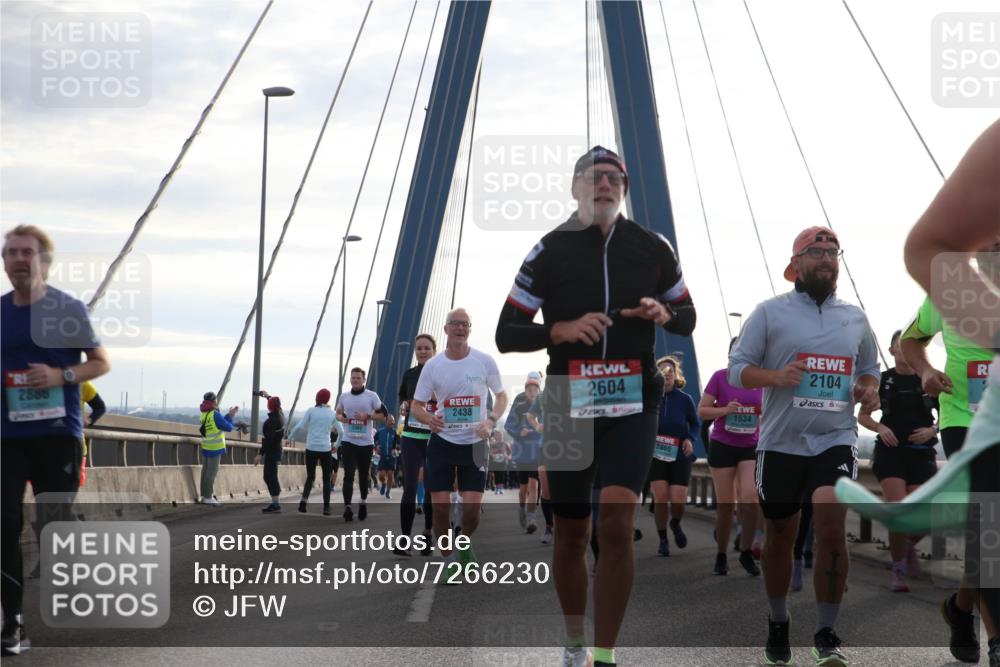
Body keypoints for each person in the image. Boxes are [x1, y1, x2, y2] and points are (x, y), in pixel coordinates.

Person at [495, 146, 697, 667]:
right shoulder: (548, 250)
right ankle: (572, 642)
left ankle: (604, 653)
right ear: (575, 187)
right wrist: (556, 330)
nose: (604, 184)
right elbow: (506, 332)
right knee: (571, 530)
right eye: (593, 177)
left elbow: (688, 317)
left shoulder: (652, 248)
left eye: (614, 177)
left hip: (634, 400)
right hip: (568, 400)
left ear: (624, 188)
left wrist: (664, 310)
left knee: (613, 523)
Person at [729, 225, 880, 667]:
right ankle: (779, 622)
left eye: (833, 252)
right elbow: (738, 369)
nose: (826, 259)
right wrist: (775, 377)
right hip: (780, 442)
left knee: (831, 524)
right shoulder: (769, 313)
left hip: (835, 437)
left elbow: (870, 369)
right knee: (780, 534)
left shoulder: (855, 318)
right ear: (795, 265)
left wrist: (868, 390)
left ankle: (827, 632)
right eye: (816, 251)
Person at [903, 119, 1000, 667]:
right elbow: (911, 340)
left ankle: (962, 608)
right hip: (967, 416)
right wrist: (924, 372)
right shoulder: (955, 283)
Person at [1, 225, 111, 656]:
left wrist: (60, 375)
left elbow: (100, 363)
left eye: (27, 252)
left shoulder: (68, 309)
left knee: (52, 525)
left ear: (44, 260)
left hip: (57, 436)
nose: (18, 259)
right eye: (10, 252)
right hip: (7, 437)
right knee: (4, 525)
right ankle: (12, 621)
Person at [411, 308, 508, 578]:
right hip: (442, 442)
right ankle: (449, 560)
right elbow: (416, 406)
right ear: (446, 329)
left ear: (470, 329)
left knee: (472, 512)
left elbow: (501, 397)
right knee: (440, 509)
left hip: (475, 444)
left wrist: (490, 422)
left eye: (465, 324)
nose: (460, 328)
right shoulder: (433, 366)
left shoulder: (484, 361)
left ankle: (463, 541)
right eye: (455, 324)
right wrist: (428, 419)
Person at [858, 330, 939, 592]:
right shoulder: (883, 381)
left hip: (921, 454)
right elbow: (864, 417)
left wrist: (932, 430)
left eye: (908, 345)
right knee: (898, 510)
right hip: (891, 454)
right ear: (891, 350)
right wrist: (881, 428)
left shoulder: (928, 379)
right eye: (899, 346)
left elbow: (949, 414)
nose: (904, 350)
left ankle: (905, 548)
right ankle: (898, 571)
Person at [698, 339, 764, 576]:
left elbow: (769, 414)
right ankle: (721, 554)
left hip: (750, 446)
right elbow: (702, 410)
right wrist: (725, 410)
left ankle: (746, 551)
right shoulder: (719, 377)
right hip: (723, 445)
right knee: (726, 506)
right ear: (730, 354)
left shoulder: (761, 382)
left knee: (750, 499)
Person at [649, 355, 699, 558]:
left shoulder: (685, 399)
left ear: (676, 375)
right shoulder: (651, 398)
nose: (667, 375)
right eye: (662, 372)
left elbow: (695, 424)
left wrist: (690, 439)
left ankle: (675, 523)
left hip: (679, 453)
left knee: (678, 502)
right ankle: (663, 539)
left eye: (671, 371)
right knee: (660, 498)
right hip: (656, 454)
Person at [396, 334, 437, 555]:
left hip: (434, 438)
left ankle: (428, 535)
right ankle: (404, 540)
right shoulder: (410, 374)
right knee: (409, 488)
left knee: (431, 490)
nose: (422, 351)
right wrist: (404, 404)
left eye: (426, 348)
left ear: (434, 351)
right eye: (419, 348)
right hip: (411, 437)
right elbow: (403, 396)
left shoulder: (442, 372)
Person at [336, 368, 385, 522]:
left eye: (358, 378)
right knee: (348, 474)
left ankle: (363, 502)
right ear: (350, 380)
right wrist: (341, 418)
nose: (355, 380)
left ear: (364, 380)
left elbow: (384, 415)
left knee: (363, 476)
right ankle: (348, 508)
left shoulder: (372, 396)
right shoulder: (344, 396)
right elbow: (337, 412)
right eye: (353, 378)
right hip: (348, 441)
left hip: (366, 443)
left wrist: (368, 416)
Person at [505, 371, 544, 533]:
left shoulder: (543, 402)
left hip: (538, 448)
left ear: (539, 388)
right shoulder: (519, 401)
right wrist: (518, 432)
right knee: (523, 488)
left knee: (534, 486)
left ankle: (531, 518)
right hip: (522, 450)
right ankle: (522, 508)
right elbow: (508, 424)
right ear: (525, 387)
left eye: (535, 388)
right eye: (529, 388)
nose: (532, 391)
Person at [289, 388, 337, 516]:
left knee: (310, 477)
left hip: (311, 448)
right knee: (327, 478)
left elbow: (299, 425)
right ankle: (326, 508)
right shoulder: (332, 413)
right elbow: (341, 431)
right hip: (325, 448)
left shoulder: (311, 411)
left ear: (317, 398)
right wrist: (336, 445)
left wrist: (289, 437)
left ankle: (303, 503)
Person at [198, 392, 238, 506]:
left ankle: (204, 496)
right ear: (214, 401)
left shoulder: (204, 414)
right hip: (215, 448)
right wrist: (231, 417)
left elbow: (219, 423)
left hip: (206, 446)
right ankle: (208, 496)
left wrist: (228, 416)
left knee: (205, 472)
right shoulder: (214, 414)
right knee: (212, 473)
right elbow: (228, 427)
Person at [255, 392, 285, 513]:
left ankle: (276, 504)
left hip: (272, 452)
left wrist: (260, 454)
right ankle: (275, 501)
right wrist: (267, 396)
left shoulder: (271, 421)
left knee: (269, 477)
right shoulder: (281, 415)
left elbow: (268, 440)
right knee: (271, 476)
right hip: (277, 450)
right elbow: (276, 404)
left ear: (269, 406)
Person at [78, 379, 106, 486]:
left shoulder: (82, 384)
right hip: (46, 446)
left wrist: (88, 420)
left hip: (75, 447)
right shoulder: (42, 379)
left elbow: (100, 407)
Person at [375, 413, 398, 499]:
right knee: (381, 475)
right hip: (382, 456)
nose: (391, 422)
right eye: (390, 420)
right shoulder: (380, 431)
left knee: (390, 475)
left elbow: (399, 444)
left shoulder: (395, 433)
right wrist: (376, 446)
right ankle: (383, 484)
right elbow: (373, 440)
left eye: (393, 421)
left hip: (392, 457)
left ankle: (388, 492)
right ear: (386, 421)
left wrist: (396, 449)